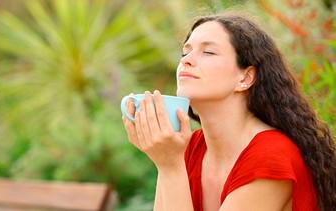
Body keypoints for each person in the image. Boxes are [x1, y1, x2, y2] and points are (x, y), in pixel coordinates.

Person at [122, 12, 336, 211]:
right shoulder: (189, 148)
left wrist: (169, 166)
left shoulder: (271, 157)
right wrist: (166, 160)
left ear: (245, 78)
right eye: (185, 52)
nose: (185, 60)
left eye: (208, 51)